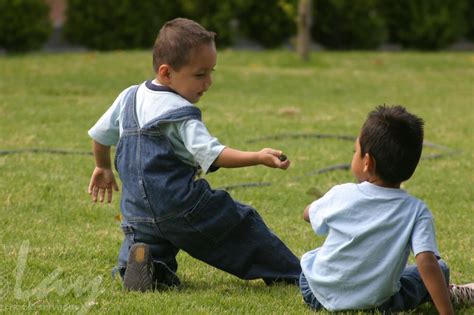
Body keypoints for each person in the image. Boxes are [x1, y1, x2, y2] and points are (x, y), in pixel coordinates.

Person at [87, 18, 301, 292]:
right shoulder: (179, 113)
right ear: (166, 73)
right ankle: (292, 273)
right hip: (182, 205)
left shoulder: (129, 97)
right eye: (200, 75)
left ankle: (145, 266)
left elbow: (100, 135)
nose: (209, 82)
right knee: (240, 225)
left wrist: (102, 167)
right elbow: (214, 154)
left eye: (211, 72)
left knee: (152, 245)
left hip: (136, 212)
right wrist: (257, 156)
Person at [299, 105, 473, 313]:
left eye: (355, 151)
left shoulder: (341, 194)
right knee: (439, 269)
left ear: (367, 162)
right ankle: (451, 293)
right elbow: (426, 262)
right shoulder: (417, 211)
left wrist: (314, 207)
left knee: (317, 258)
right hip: (377, 301)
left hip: (315, 293)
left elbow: (307, 214)